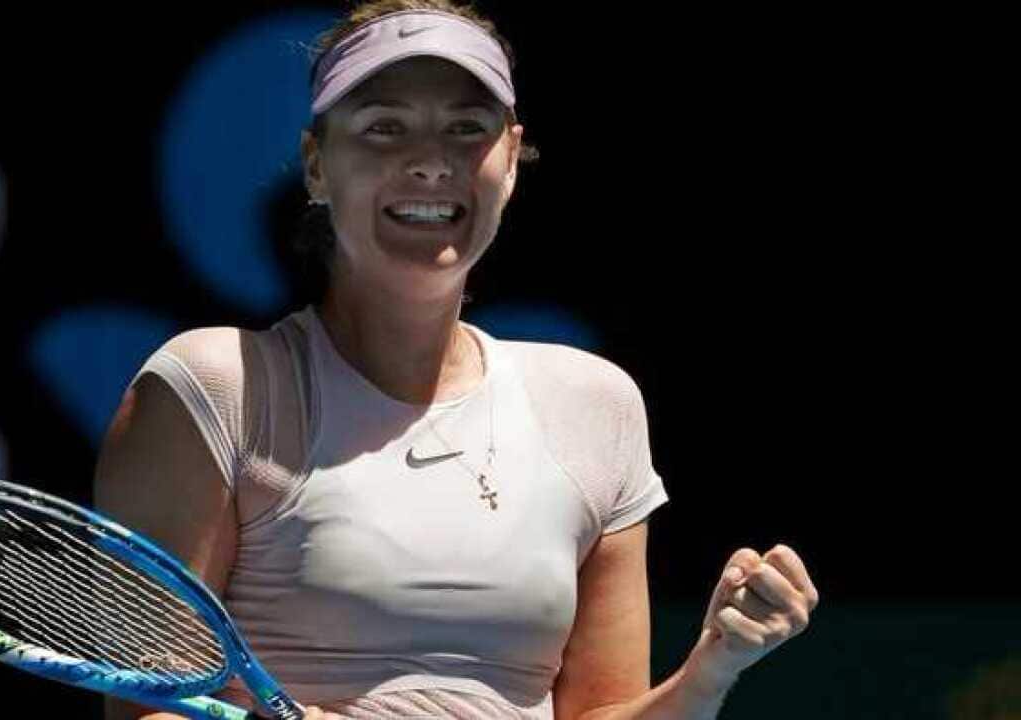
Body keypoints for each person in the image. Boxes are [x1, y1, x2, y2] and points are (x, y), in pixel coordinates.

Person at [94, 2, 820, 718]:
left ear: (512, 160)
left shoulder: (596, 405)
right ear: (317, 166)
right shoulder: (213, 389)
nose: (430, 163)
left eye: (467, 130)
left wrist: (709, 670)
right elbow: (147, 713)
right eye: (384, 128)